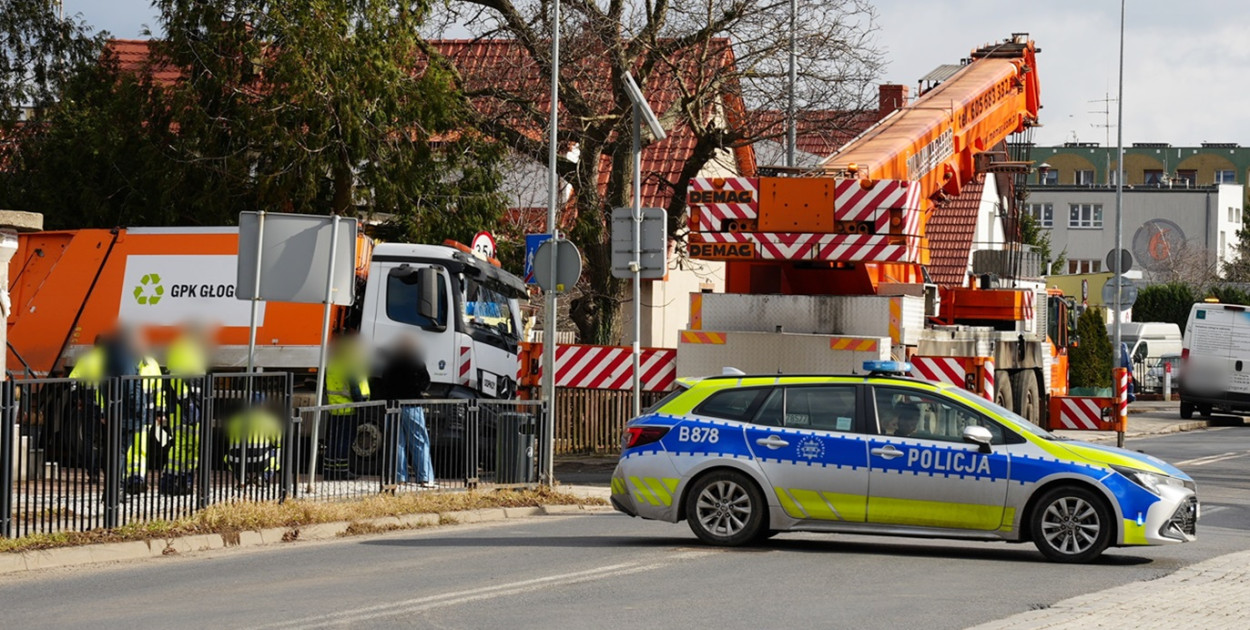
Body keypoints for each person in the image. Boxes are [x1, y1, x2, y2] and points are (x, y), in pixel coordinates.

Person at [376, 335, 436, 488]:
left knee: (397, 443)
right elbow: (425, 383)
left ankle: (400, 477)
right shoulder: (417, 363)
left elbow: (385, 383)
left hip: (393, 406)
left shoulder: (391, 363)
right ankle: (425, 477)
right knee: (419, 442)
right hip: (412, 405)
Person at [159, 328, 209, 496]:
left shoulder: (194, 351)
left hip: (193, 406)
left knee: (194, 446)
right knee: (181, 445)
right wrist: (187, 404)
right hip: (182, 408)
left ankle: (185, 480)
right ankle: (170, 481)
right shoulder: (182, 349)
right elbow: (177, 379)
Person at [323, 334, 370, 480]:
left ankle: (329, 471)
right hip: (349, 408)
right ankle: (342, 472)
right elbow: (354, 388)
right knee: (345, 441)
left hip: (335, 407)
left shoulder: (332, 364)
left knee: (333, 440)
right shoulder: (349, 365)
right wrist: (360, 405)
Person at [223, 398, 284, 486]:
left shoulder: (234, 420)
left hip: (237, 461)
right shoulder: (270, 421)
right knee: (277, 450)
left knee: (232, 452)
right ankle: (263, 477)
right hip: (261, 461)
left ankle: (241, 478)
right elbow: (278, 442)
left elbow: (229, 438)